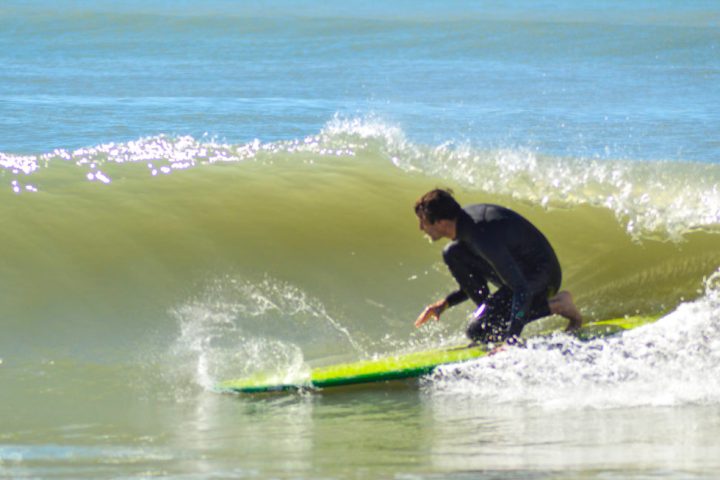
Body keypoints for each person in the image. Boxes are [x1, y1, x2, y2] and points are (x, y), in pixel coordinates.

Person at [413, 188, 582, 344]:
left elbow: (521, 289)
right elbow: (471, 283)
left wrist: (511, 340)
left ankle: (558, 304)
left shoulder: (481, 235)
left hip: (543, 278)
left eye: (424, 222)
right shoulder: (464, 226)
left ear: (441, 223)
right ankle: (491, 323)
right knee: (452, 253)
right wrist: (445, 304)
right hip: (519, 275)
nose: (421, 228)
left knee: (477, 331)